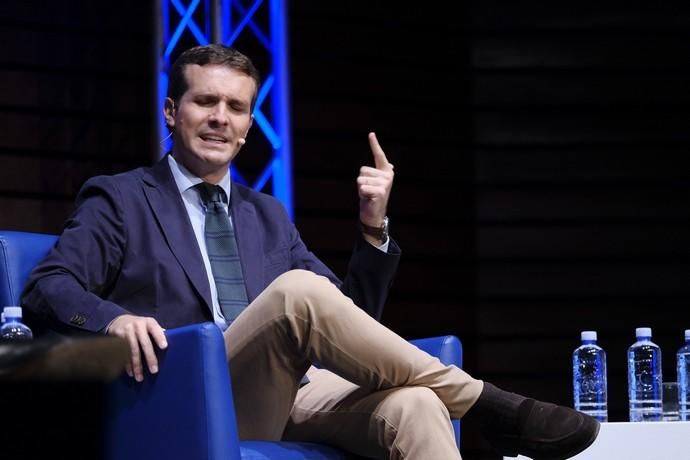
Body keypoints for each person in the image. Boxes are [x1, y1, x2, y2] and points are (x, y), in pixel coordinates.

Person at [22, 44, 599, 460]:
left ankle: (466, 404)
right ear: (172, 111)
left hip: (292, 392)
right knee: (298, 293)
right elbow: (49, 285)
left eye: (237, 107)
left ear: (250, 125)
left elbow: (347, 322)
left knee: (419, 405)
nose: (221, 118)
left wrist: (373, 231)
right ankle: (489, 405)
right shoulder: (121, 197)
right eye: (204, 102)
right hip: (184, 394)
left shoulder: (266, 214)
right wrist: (114, 318)